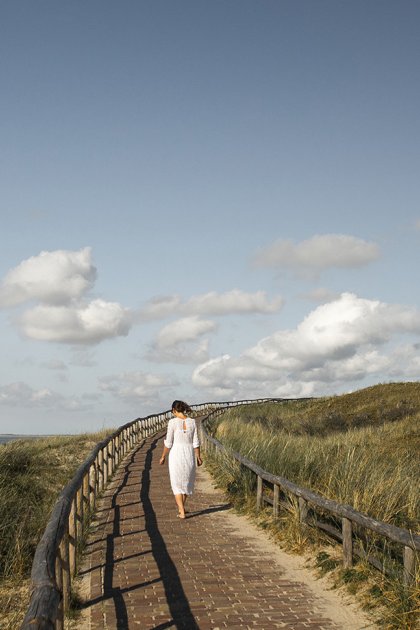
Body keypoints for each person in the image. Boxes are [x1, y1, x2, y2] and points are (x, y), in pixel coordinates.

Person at [159, 400, 202, 519]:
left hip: (176, 454)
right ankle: (181, 508)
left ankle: (182, 511)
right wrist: (198, 456)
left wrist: (163, 456)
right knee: (187, 481)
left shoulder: (172, 422)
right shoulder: (192, 422)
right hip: (189, 454)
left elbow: (168, 442)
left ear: (173, 410)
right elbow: (196, 442)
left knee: (177, 483)